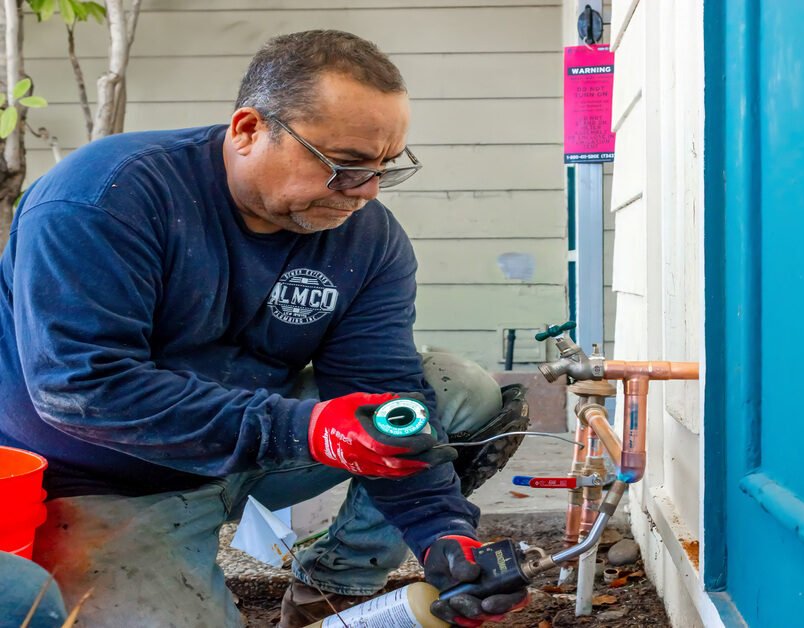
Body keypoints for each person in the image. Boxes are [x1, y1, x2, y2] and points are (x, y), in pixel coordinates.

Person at [0, 30, 530, 627]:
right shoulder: (105, 198)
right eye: (344, 165)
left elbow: (385, 395)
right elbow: (84, 390)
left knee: (456, 387)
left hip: (260, 449)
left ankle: (336, 589)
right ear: (249, 130)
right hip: (104, 479)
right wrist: (307, 428)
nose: (367, 192)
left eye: (385, 168)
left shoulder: (368, 239)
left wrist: (442, 533)